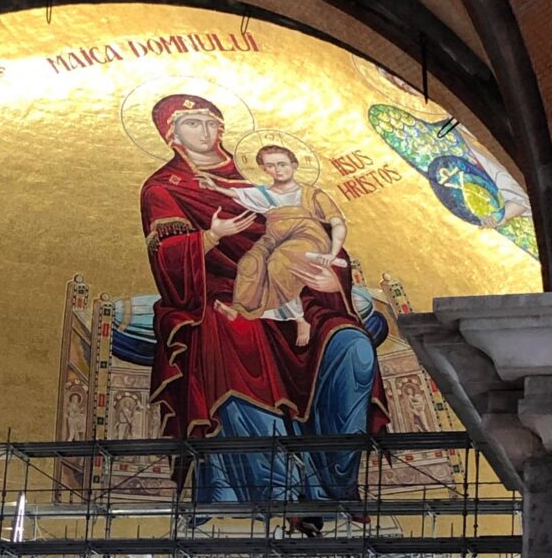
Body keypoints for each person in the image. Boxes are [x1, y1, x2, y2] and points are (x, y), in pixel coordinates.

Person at [139, 94, 389, 520]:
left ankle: (333, 485)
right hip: (216, 296)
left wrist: (332, 283)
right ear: (171, 135)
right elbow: (167, 261)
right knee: (237, 334)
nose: (204, 130)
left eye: (210, 121)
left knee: (353, 347)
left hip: (298, 287)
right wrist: (210, 237)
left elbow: (321, 238)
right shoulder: (163, 188)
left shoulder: (258, 180)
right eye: (191, 123)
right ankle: (273, 489)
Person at [201, 144, 348, 347]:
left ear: (294, 165)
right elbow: (238, 194)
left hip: (308, 236)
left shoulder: (312, 194)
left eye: (282, 164)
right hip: (274, 237)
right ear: (263, 169)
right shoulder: (264, 193)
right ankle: (241, 309)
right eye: (270, 166)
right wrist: (215, 187)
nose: (277, 170)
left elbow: (337, 222)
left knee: (279, 262)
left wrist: (332, 252)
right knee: (250, 262)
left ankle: (298, 320)